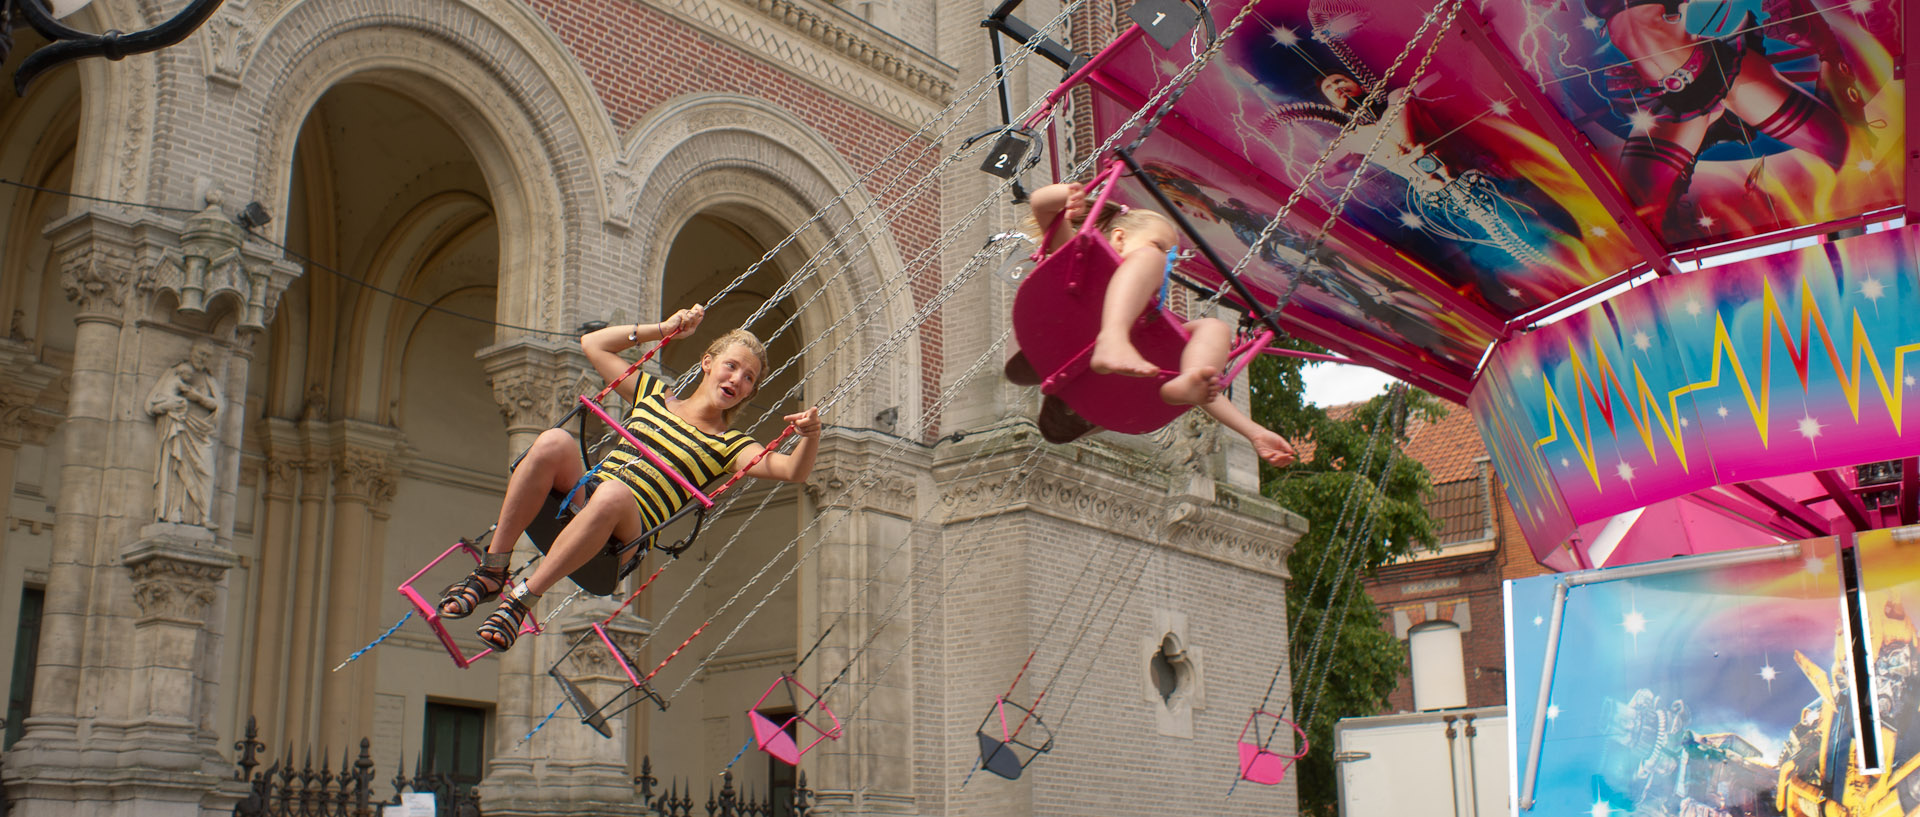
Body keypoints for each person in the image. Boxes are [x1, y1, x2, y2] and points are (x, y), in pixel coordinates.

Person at [438, 304, 822, 651]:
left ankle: (522, 600)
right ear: (708, 363)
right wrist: (664, 328)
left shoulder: (729, 445)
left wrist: (810, 435)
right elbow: (594, 344)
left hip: (623, 535)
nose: (738, 379)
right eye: (732, 366)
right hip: (586, 498)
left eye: (749, 378)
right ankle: (492, 569)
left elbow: (793, 471)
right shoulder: (654, 394)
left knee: (613, 495)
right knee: (554, 441)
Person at [1021, 181, 1298, 468]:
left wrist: (1255, 433)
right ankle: (1112, 339)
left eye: (1171, 258)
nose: (1166, 261)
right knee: (1147, 262)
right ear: (1119, 238)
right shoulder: (1081, 262)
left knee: (1214, 329)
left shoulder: (1147, 321)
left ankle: (1179, 384)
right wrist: (1065, 195)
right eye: (1159, 246)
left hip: (1119, 380)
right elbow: (1041, 206)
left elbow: (1208, 389)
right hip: (1066, 338)